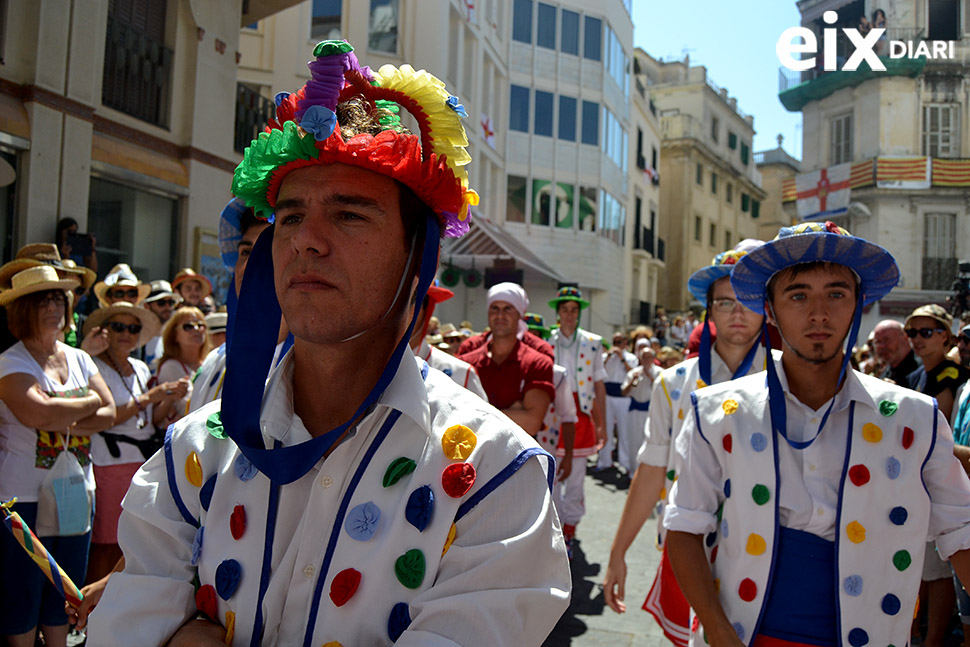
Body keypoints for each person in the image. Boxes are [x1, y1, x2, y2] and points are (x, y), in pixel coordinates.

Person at [87, 40, 569, 646]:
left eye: (348, 214)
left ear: (416, 259)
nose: (305, 241)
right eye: (289, 216)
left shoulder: (495, 476)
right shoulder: (195, 451)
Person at [664, 221, 970, 647]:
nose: (819, 314)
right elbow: (683, 527)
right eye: (798, 295)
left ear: (859, 304)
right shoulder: (718, 413)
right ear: (769, 309)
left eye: (837, 294)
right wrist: (717, 631)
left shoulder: (913, 418)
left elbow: (962, 528)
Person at [603, 247, 766, 647]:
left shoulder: (787, 378)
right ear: (709, 310)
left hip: (763, 552)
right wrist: (617, 553)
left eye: (748, 300)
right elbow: (651, 470)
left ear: (767, 308)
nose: (738, 311)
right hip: (688, 547)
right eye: (726, 302)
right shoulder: (673, 383)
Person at [0, 265, 116, 647]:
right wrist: (85, 404)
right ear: (22, 310)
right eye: (42, 299)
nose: (53, 306)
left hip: (77, 490)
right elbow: (37, 413)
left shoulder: (80, 359)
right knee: (22, 592)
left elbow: (110, 412)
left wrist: (57, 412)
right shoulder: (10, 362)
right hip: (23, 500)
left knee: (65, 589)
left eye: (58, 298)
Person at [83, 302, 186, 584]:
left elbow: (152, 420)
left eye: (133, 328)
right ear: (105, 331)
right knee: (105, 542)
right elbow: (104, 418)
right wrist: (149, 397)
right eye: (118, 327)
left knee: (130, 542)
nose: (126, 333)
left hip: (139, 462)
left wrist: (167, 395)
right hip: (108, 461)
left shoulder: (140, 367)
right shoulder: (94, 366)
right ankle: (90, 610)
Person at [902, 304, 970, 646]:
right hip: (917, 482)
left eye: (926, 332)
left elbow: (936, 436)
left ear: (946, 337)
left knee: (942, 569)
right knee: (923, 567)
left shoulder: (952, 376)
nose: (917, 340)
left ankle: (933, 639)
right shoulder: (916, 376)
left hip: (946, 483)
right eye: (911, 333)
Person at [548, 285, 607, 553]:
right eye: (565, 310)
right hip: (552, 415)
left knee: (576, 477)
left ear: (579, 313)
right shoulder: (545, 341)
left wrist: (602, 423)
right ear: (558, 313)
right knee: (552, 474)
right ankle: (555, 527)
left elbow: (598, 386)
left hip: (581, 414)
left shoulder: (593, 343)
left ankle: (569, 530)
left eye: (574, 310)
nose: (569, 315)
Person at [458, 282, 554, 434]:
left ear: (520, 315)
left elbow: (531, 423)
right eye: (494, 308)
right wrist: (513, 412)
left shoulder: (538, 363)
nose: (500, 315)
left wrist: (477, 412)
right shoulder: (466, 362)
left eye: (508, 309)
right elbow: (456, 414)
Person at [410, 284, 487, 400]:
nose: (401, 310)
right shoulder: (374, 367)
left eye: (412, 300)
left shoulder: (462, 375)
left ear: (427, 310)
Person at [152, 307, 207, 429]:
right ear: (174, 335)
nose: (196, 329)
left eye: (201, 325)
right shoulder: (171, 367)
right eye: (188, 326)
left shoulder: (210, 363)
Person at [597, 330, 638, 474]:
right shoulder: (604, 356)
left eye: (619, 342)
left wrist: (621, 358)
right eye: (614, 342)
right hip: (607, 396)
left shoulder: (631, 358)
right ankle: (604, 461)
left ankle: (626, 463)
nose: (616, 345)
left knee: (624, 431)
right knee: (606, 428)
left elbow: (633, 373)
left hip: (623, 397)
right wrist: (608, 357)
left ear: (625, 343)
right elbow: (598, 371)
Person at [620, 338, 662, 464]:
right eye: (644, 357)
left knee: (651, 441)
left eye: (649, 357)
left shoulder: (660, 373)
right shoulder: (634, 373)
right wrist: (633, 382)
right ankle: (633, 470)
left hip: (652, 412)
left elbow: (663, 392)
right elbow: (623, 392)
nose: (647, 360)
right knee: (634, 440)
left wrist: (650, 376)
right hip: (635, 411)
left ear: (653, 358)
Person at [142, 280, 181, 367]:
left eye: (171, 303)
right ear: (147, 306)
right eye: (161, 303)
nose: (167, 307)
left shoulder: (176, 338)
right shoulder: (136, 336)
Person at [871, 319, 920, 386]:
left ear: (905, 338)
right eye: (877, 342)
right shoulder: (886, 372)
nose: (881, 346)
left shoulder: (921, 368)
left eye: (886, 340)